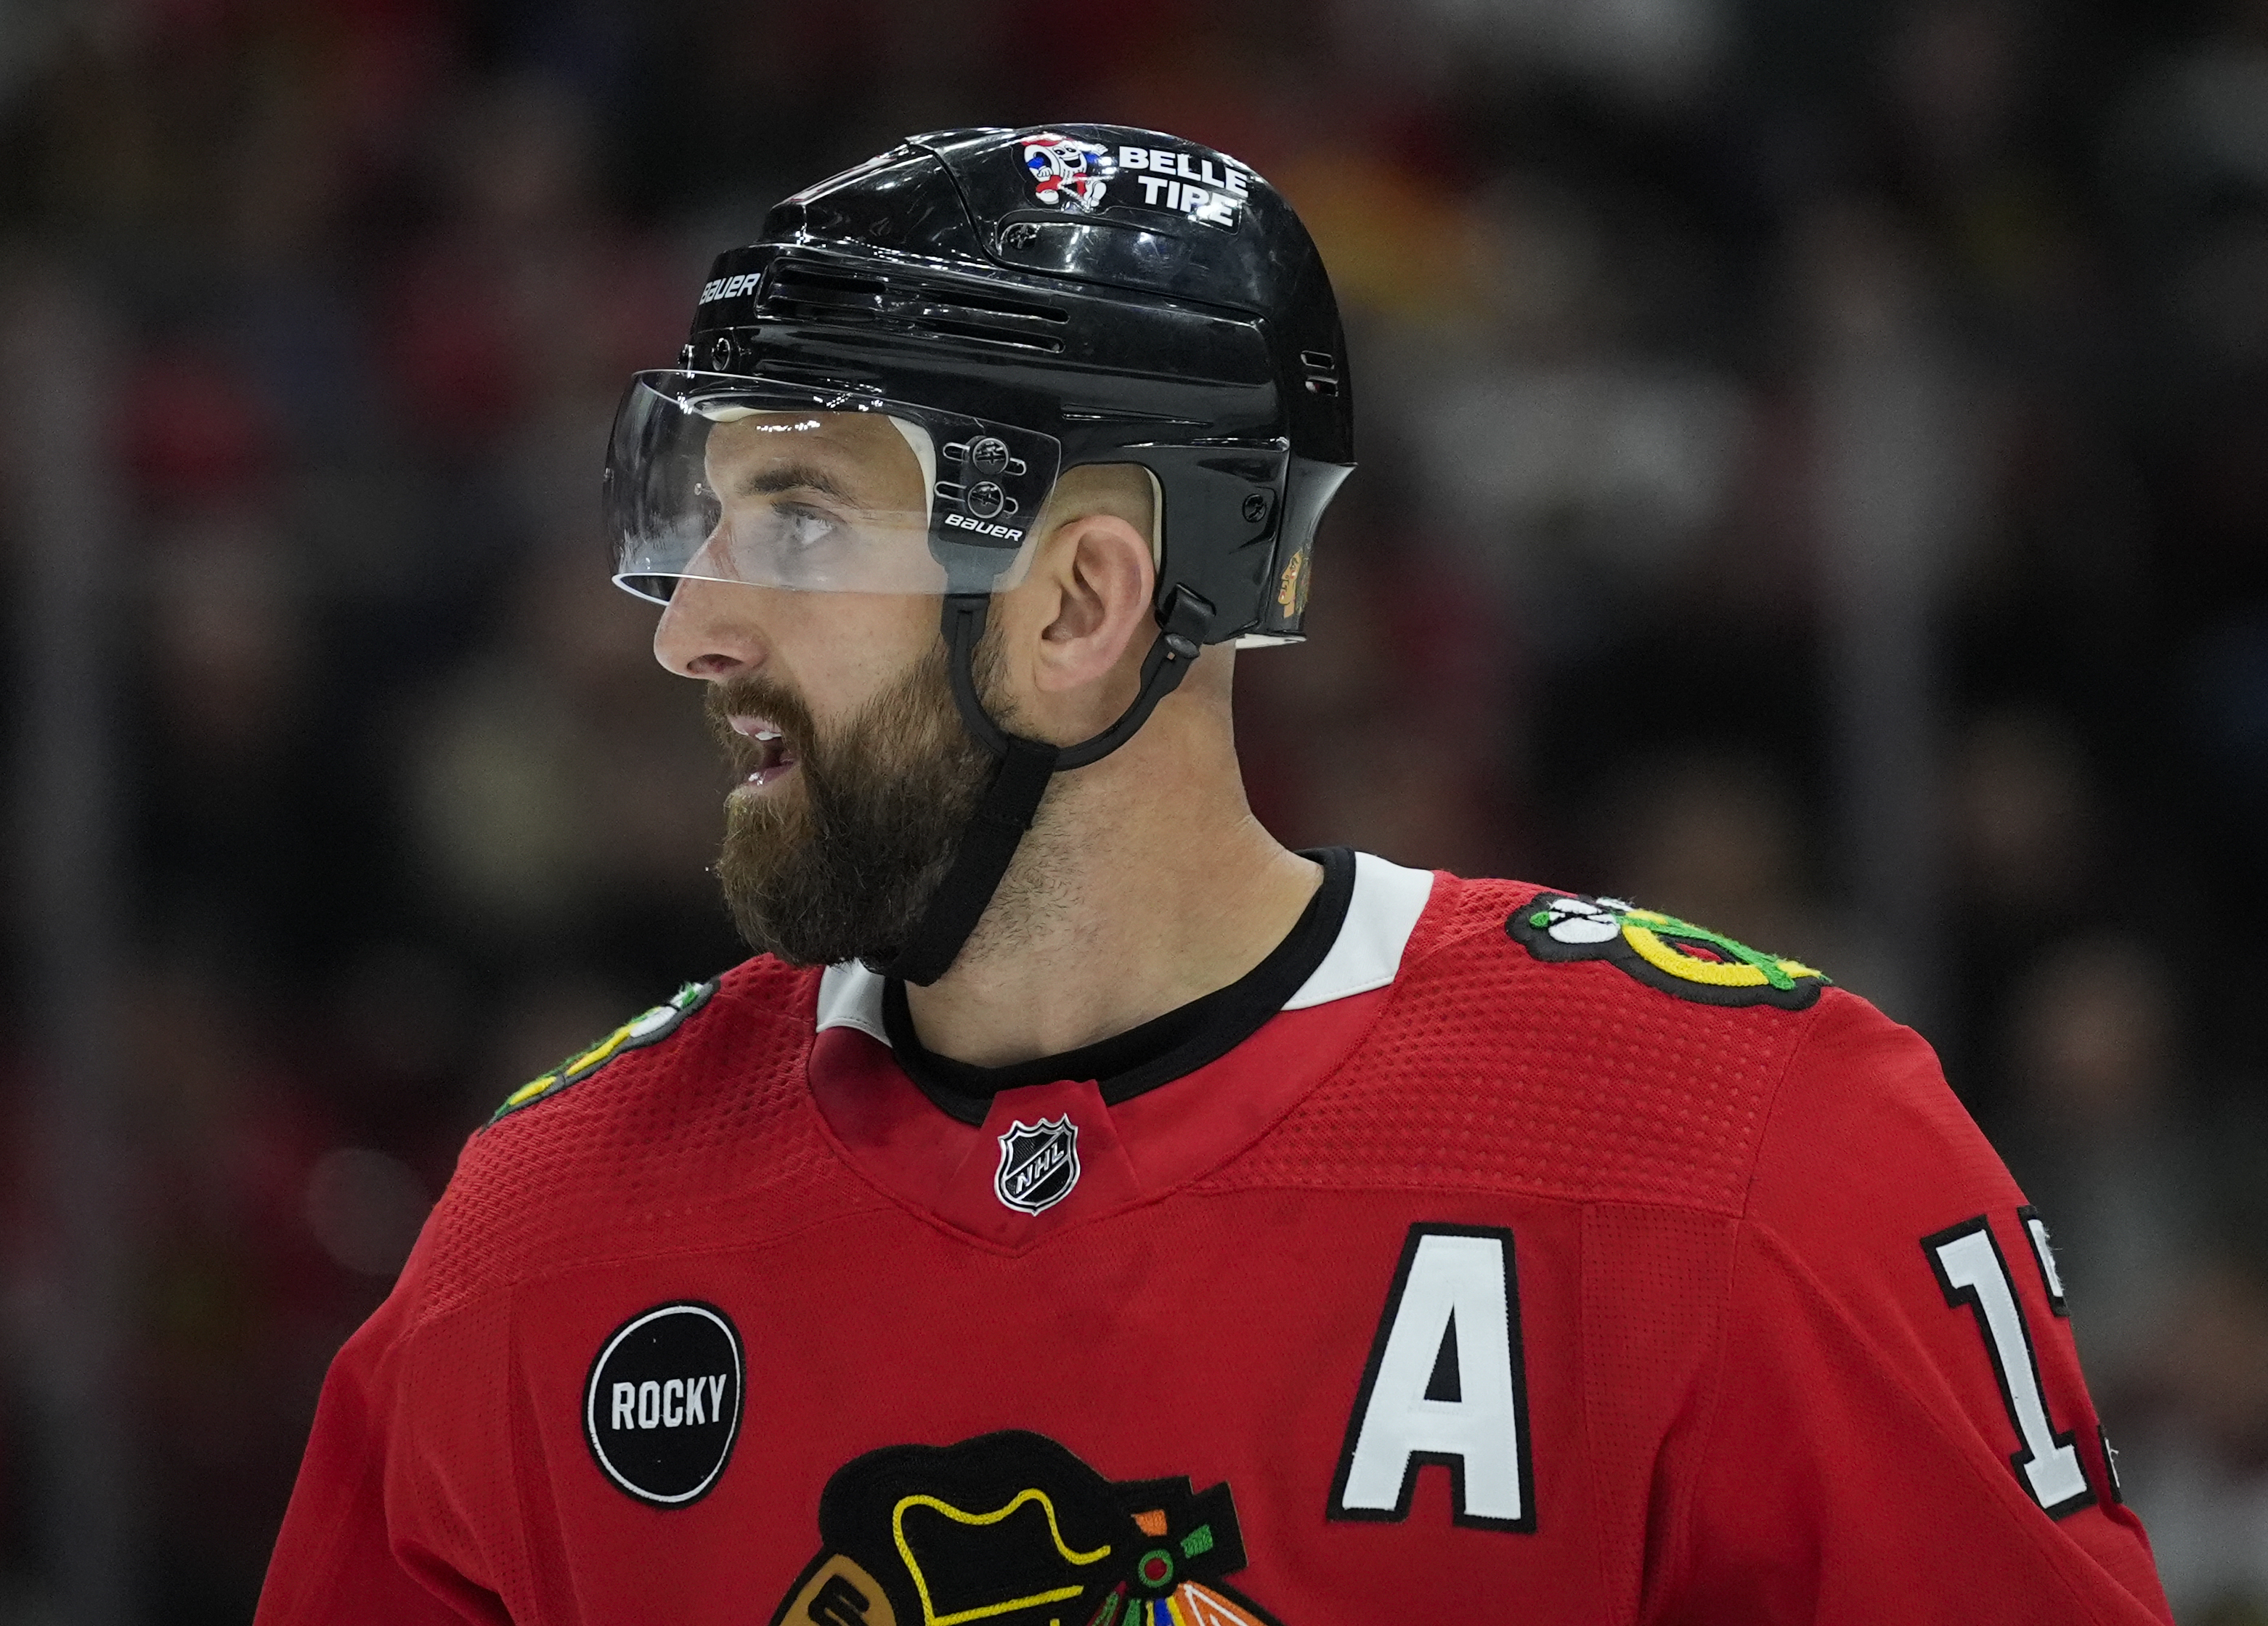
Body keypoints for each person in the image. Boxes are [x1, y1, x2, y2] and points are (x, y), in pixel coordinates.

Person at [255, 125, 2171, 1625]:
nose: (691, 632)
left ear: (1081, 603)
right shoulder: (541, 1249)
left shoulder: (1745, 1160)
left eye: (806, 525)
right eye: (704, 520)